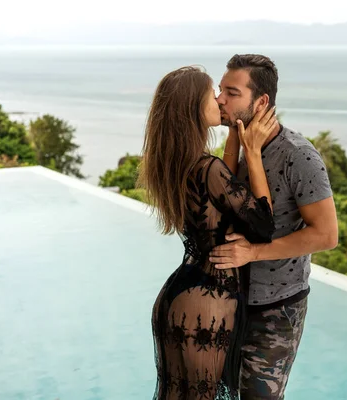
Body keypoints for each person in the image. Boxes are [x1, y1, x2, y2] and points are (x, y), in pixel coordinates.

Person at [138, 65, 279, 400]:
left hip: (177, 298)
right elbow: (263, 225)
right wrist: (254, 152)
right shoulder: (208, 169)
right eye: (210, 95)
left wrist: (234, 135)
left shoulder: (177, 163)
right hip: (207, 306)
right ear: (192, 108)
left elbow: (221, 195)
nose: (219, 100)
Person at [210, 54, 338, 399]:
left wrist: (253, 252)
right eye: (220, 90)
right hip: (230, 299)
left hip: (275, 309)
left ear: (261, 101)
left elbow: (326, 235)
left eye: (231, 92)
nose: (219, 98)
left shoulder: (299, 156)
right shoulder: (234, 149)